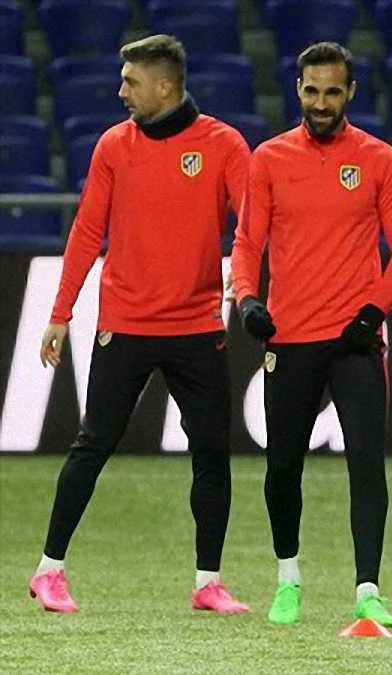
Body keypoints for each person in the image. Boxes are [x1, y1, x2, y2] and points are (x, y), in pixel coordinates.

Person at [30, 35, 251, 614]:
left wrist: (246, 273)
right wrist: (60, 313)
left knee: (212, 452)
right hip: (125, 323)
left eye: (130, 82)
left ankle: (208, 582)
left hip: (197, 325)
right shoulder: (113, 145)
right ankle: (49, 571)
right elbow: (86, 231)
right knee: (94, 443)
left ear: (165, 86)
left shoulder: (224, 144)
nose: (120, 91)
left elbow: (254, 222)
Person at [230, 41, 392, 627]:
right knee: (283, 467)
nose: (320, 102)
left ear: (350, 93)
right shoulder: (268, 158)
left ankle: (368, 590)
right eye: (311, 91)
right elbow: (247, 242)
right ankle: (287, 579)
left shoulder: (380, 160)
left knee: (366, 463)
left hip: (355, 343)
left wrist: (372, 314)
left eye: (332, 92)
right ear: (298, 90)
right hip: (289, 338)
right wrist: (247, 299)